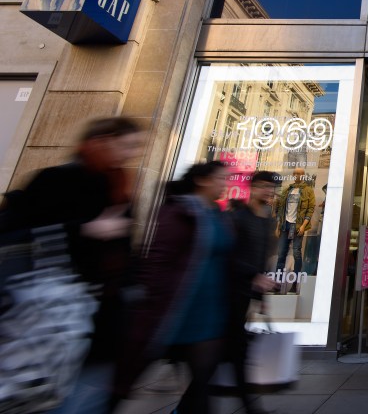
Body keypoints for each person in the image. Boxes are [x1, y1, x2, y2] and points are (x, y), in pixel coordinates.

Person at [1, 117, 144, 414]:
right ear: (103, 140)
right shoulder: (56, 179)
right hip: (46, 314)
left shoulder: (119, 190)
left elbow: (123, 252)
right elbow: (14, 232)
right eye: (127, 145)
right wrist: (85, 229)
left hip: (96, 319)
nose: (131, 153)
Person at [110, 161, 233, 414]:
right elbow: (156, 260)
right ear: (202, 180)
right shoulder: (180, 211)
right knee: (126, 380)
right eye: (221, 178)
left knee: (202, 381)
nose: (225, 183)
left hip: (209, 308)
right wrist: (149, 301)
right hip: (174, 307)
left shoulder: (219, 214)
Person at [226, 172, 279, 414]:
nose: (269, 191)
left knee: (228, 353)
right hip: (231, 292)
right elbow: (229, 256)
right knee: (232, 352)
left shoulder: (266, 220)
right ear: (252, 187)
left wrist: (261, 297)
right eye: (264, 186)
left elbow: (261, 260)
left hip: (247, 292)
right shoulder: (237, 217)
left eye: (272, 187)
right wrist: (253, 276)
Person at [274, 168, 315, 285]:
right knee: (281, 253)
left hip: (297, 225)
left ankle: (295, 283)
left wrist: (303, 226)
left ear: (303, 176)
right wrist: (277, 226)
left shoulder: (308, 190)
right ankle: (277, 283)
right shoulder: (287, 190)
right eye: (295, 173)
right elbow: (281, 209)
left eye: (299, 174)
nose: (297, 175)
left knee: (296, 252)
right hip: (285, 224)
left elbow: (310, 209)